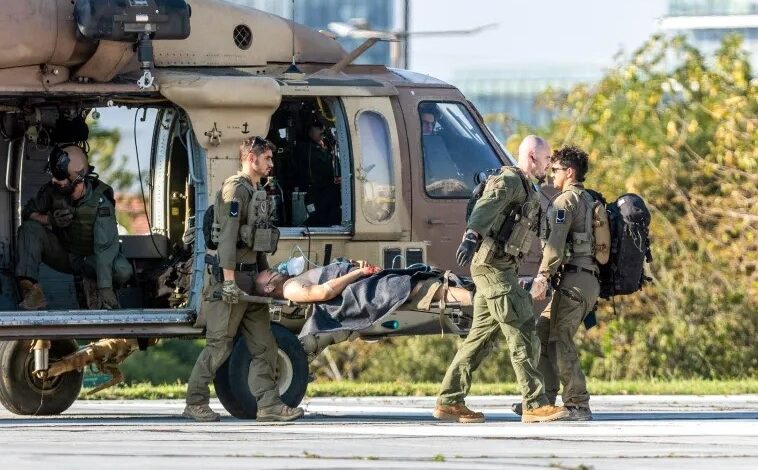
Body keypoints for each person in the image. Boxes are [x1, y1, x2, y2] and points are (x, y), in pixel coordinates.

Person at [434, 135, 570, 424]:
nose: (548, 165)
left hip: (499, 268)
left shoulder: (527, 188)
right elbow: (486, 206)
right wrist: (471, 236)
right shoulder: (509, 180)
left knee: (479, 339)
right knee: (523, 328)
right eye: (546, 159)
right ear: (532, 157)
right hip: (493, 267)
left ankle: (450, 400)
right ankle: (535, 403)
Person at [183, 136, 304, 423]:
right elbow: (227, 239)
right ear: (251, 158)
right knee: (219, 345)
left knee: (265, 346)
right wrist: (228, 282)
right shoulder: (235, 189)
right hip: (232, 280)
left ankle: (269, 404)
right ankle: (195, 401)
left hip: (250, 281)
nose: (271, 164)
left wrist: (266, 277)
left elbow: (256, 243)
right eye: (267, 158)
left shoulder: (256, 190)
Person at [528, 145, 600, 421]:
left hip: (574, 281)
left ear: (569, 172)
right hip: (584, 281)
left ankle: (578, 404)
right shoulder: (589, 199)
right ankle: (544, 401)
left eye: (556, 169)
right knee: (543, 331)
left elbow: (554, 246)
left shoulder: (564, 202)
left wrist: (542, 276)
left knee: (560, 339)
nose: (551, 174)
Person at [16, 145, 132, 310]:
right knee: (29, 228)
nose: (54, 180)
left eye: (60, 176)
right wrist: (49, 219)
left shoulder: (100, 200)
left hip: (92, 259)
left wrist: (105, 288)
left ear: (78, 178)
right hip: (65, 254)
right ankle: (32, 293)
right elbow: (28, 213)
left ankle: (97, 288)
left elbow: (104, 248)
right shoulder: (52, 191)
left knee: (122, 270)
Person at [293, 119, 340, 226]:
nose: (322, 130)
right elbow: (321, 165)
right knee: (318, 219)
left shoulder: (326, 147)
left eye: (323, 128)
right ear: (309, 130)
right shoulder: (306, 148)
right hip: (315, 193)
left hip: (329, 191)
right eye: (318, 127)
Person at [420, 105, 465, 197]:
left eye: (432, 124)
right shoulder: (415, 142)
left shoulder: (438, 141)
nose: (429, 127)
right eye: (425, 123)